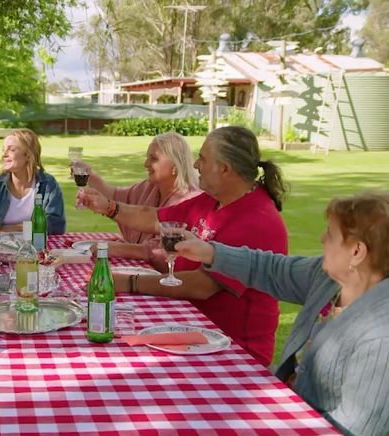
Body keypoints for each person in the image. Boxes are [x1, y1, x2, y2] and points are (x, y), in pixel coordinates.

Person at [173, 192, 389, 436]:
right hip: (281, 412)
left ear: (357, 252)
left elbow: (352, 429)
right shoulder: (329, 279)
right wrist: (209, 252)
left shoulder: (380, 338)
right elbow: (272, 270)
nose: (321, 238)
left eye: (330, 234)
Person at [79, 126, 288, 366]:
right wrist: (108, 207)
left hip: (233, 351)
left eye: (203, 158)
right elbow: (155, 218)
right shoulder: (213, 200)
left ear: (224, 169)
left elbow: (201, 285)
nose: (196, 164)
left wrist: (129, 281)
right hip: (193, 330)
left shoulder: (256, 220)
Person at [82, 132, 200, 260]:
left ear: (175, 166)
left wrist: (114, 248)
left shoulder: (190, 201)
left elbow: (162, 252)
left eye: (153, 159)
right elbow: (115, 198)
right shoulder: (150, 187)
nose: (145, 164)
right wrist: (89, 175)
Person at [0, 128, 65, 233]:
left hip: (37, 246)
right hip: (0, 247)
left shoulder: (48, 184)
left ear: (28, 155)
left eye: (11, 149)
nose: (4, 155)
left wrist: (10, 229)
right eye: (3, 149)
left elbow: (55, 224)